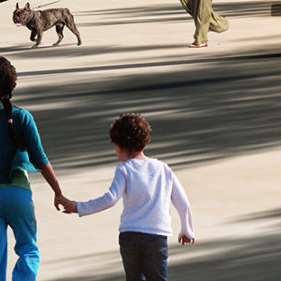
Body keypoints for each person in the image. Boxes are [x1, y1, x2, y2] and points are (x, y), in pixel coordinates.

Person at [0, 56, 67, 281]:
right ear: (10, 86)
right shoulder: (22, 117)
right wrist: (58, 192)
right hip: (18, 192)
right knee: (28, 248)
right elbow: (40, 160)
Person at [59, 113, 194, 281]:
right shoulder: (163, 168)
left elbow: (110, 198)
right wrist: (186, 229)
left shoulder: (124, 169)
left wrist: (79, 206)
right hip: (156, 236)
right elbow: (182, 201)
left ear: (118, 146)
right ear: (144, 141)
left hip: (130, 235)